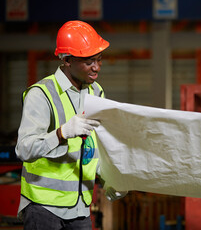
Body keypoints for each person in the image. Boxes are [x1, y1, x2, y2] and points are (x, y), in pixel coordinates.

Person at [15, 20, 126, 230]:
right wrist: (61, 133)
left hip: (80, 208)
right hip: (43, 207)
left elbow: (93, 149)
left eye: (99, 60)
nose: (96, 67)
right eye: (89, 61)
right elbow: (24, 149)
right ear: (66, 60)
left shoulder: (96, 93)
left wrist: (110, 179)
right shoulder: (41, 94)